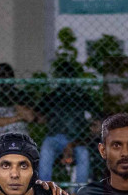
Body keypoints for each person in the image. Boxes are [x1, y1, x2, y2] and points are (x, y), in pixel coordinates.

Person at [35, 55, 91, 185]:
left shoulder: (82, 96)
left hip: (76, 138)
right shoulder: (53, 95)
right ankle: (45, 191)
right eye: (63, 76)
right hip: (55, 137)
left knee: (83, 154)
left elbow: (95, 120)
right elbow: (37, 115)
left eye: (69, 76)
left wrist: (73, 143)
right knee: (46, 150)